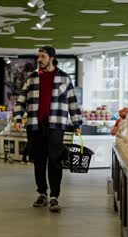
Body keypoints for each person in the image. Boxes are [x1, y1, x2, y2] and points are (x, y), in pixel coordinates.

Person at [13, 46, 82, 213]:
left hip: (56, 125)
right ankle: (42, 193)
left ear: (51, 58)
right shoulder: (32, 78)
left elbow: (73, 102)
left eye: (42, 56)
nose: (39, 59)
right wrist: (17, 117)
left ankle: (54, 197)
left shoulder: (64, 78)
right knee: (38, 161)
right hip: (35, 126)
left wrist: (77, 123)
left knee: (55, 161)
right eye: (39, 56)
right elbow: (21, 100)